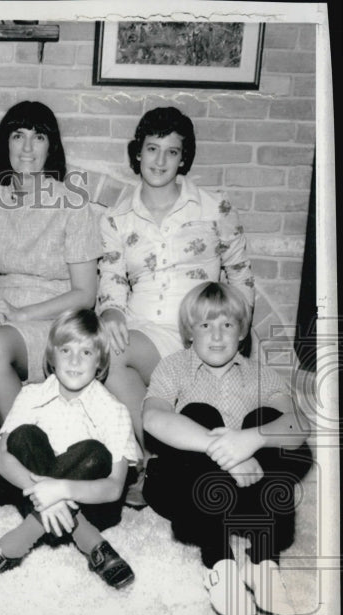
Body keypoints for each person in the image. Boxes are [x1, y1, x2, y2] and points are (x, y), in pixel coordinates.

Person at [0, 101, 101, 499]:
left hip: (53, 313)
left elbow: (85, 293)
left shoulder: (73, 203)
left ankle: (34, 465)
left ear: (52, 147)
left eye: (39, 136)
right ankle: (1, 452)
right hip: (3, 307)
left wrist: (19, 313)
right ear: (5, 144)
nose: (27, 147)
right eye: (18, 136)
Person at [142, 282, 312, 615]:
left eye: (227, 325)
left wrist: (250, 440)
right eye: (206, 325)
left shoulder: (261, 374)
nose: (217, 336)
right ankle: (218, 564)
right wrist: (220, 448)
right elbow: (152, 418)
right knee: (199, 414)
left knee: (269, 423)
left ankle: (263, 565)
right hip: (187, 488)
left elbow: (300, 425)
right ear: (190, 332)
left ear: (242, 332)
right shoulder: (173, 367)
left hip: (250, 490)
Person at [98, 107, 255, 464]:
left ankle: (167, 459)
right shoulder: (115, 218)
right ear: (138, 153)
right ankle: (156, 457)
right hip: (144, 330)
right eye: (152, 148)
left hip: (197, 329)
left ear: (183, 159)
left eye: (172, 151)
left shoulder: (216, 209)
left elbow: (241, 275)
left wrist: (233, 330)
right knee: (108, 349)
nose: (160, 160)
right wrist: (109, 311)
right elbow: (112, 277)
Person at [0, 309, 139, 588]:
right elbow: (2, 459)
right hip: (33, 496)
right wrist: (44, 492)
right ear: (51, 355)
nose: (74, 361)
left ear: (100, 360)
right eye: (66, 350)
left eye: (86, 353)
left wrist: (60, 490)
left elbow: (113, 488)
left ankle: (10, 547)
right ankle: (93, 544)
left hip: (92, 507)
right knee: (25, 435)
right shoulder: (31, 396)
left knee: (94, 452)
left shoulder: (114, 411)